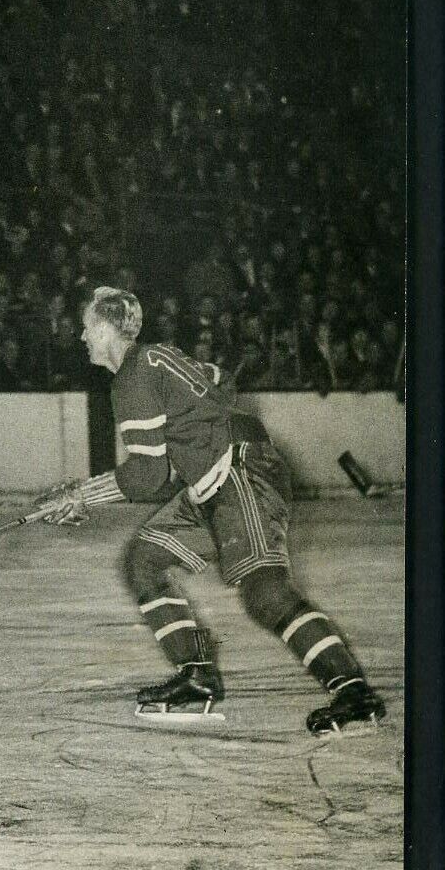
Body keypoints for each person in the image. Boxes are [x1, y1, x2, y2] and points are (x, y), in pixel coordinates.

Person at [32, 286, 384, 736]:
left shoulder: (133, 375)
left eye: (86, 327)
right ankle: (197, 677)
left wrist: (83, 495)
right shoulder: (161, 357)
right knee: (145, 559)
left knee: (264, 590)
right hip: (214, 478)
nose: (81, 336)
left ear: (104, 330)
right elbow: (222, 380)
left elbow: (147, 476)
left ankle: (353, 691)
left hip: (239, 473)